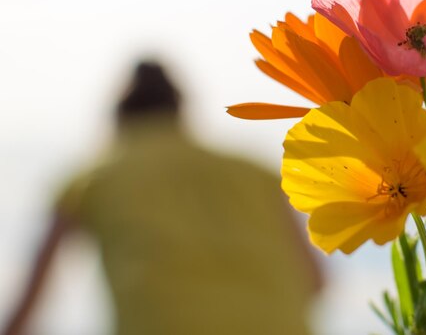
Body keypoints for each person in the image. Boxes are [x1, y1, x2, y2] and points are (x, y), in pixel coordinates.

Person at [3, 60, 322, 335]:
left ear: (119, 116)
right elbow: (316, 281)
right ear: (181, 109)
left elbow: (34, 298)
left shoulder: (92, 178)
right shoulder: (256, 172)